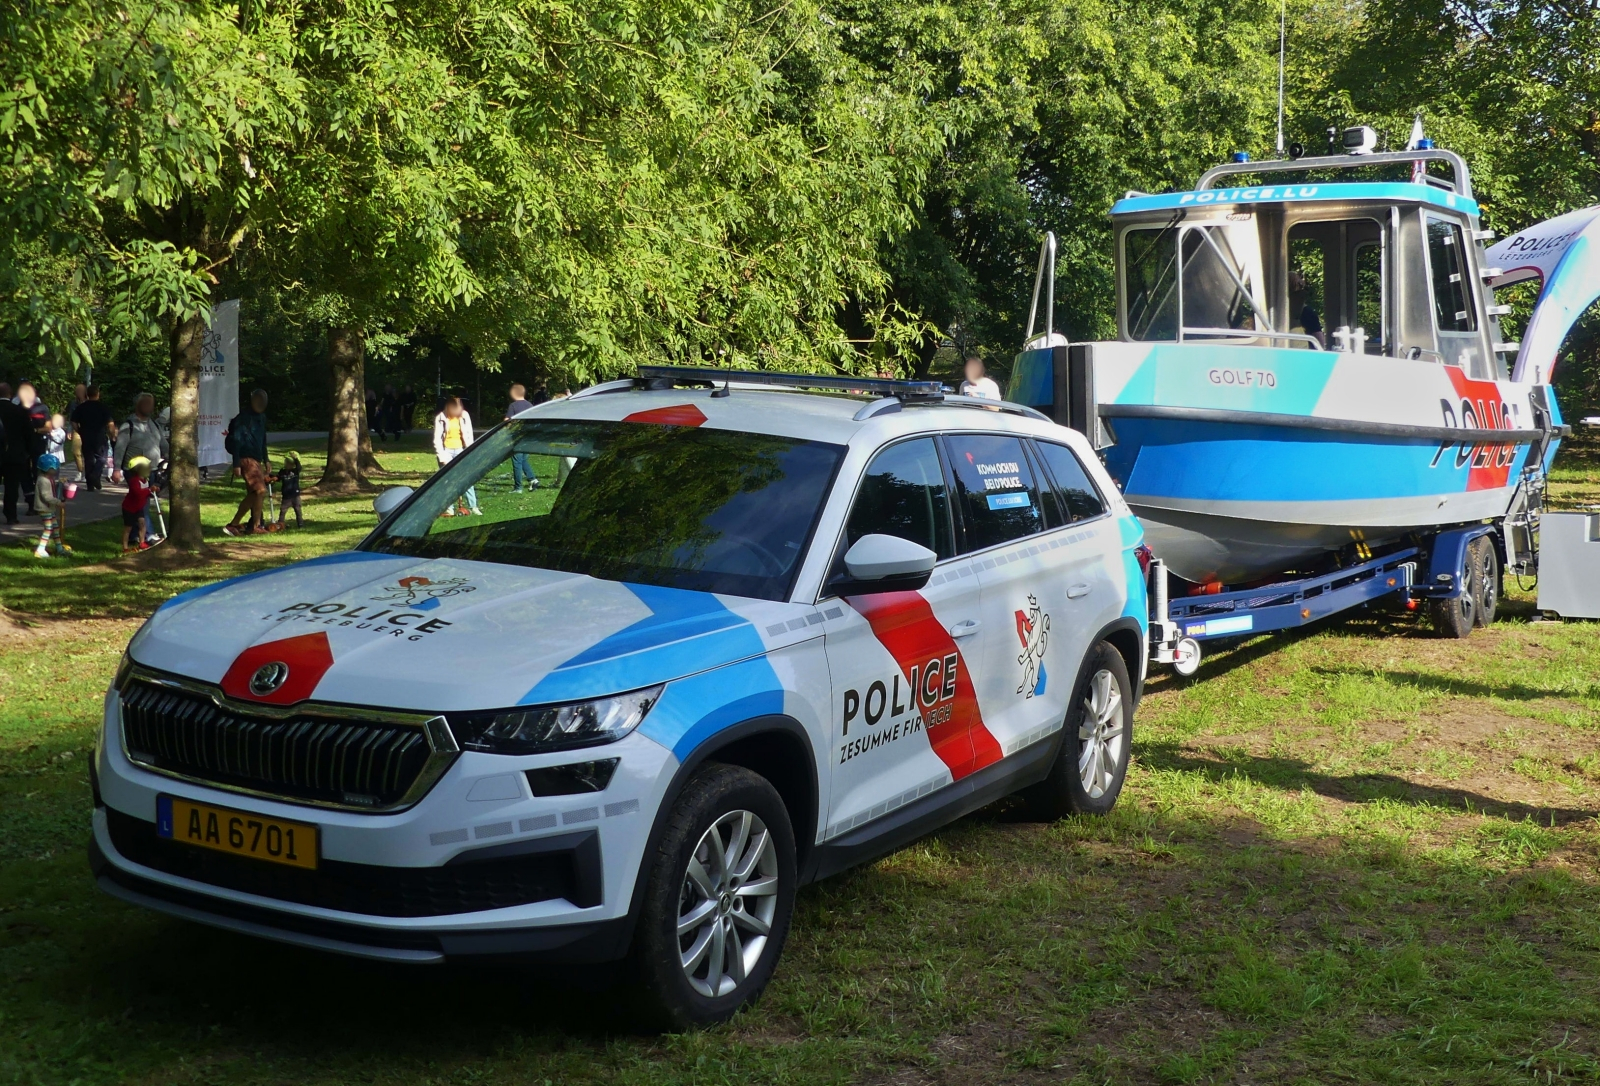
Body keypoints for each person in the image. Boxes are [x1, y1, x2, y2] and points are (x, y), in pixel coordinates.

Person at [114, 393, 168, 542]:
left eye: (151, 403)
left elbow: (163, 444)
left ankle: (134, 535)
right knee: (142, 500)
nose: (150, 407)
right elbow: (119, 448)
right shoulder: (129, 426)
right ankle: (149, 534)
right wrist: (116, 469)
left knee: (140, 501)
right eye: (147, 404)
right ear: (138, 405)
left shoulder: (154, 425)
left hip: (154, 469)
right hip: (135, 471)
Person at [223, 389, 270, 536]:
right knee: (260, 490)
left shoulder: (261, 418)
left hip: (256, 459)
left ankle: (255, 526)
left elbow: (263, 440)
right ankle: (235, 523)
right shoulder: (242, 418)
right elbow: (236, 440)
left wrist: (266, 459)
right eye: (257, 399)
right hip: (245, 458)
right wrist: (236, 463)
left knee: (256, 493)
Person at [432, 396, 479, 515]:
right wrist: (442, 456)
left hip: (461, 449)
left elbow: (469, 434)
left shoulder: (464, 416)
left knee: (466, 478)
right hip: (446, 451)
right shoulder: (441, 418)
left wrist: (470, 450)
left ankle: (473, 506)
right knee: (448, 480)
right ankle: (450, 508)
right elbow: (437, 439)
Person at [71, 385, 114, 491]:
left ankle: (90, 484)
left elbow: (73, 422)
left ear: (87, 394)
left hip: (86, 436)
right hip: (100, 437)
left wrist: (79, 431)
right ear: (98, 394)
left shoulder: (81, 407)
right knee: (102, 458)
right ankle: (95, 476)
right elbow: (110, 423)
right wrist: (112, 434)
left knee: (89, 460)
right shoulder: (103, 407)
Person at [16, 382, 50, 513]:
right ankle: (31, 503)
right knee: (24, 474)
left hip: (38, 444)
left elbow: (48, 427)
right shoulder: (18, 408)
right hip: (23, 445)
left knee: (39, 473)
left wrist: (35, 430)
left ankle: (40, 502)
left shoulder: (42, 408)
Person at [0, 383, 31, 523]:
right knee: (12, 487)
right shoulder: (20, 411)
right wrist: (28, 452)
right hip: (14, 454)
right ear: (10, 394)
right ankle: (11, 515)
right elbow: (28, 434)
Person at [33, 453, 69, 558]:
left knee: (55, 528)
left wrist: (60, 484)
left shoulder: (48, 479)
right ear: (48, 468)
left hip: (50, 508)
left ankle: (59, 548)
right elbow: (46, 497)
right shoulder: (43, 481)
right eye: (55, 468)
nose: (57, 470)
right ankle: (40, 549)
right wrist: (58, 502)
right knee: (48, 529)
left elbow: (52, 490)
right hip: (45, 508)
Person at [505, 383, 538, 492]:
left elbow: (507, 421)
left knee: (516, 462)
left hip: (517, 436)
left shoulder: (513, 406)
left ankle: (518, 487)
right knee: (523, 460)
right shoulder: (530, 405)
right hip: (527, 436)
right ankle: (533, 479)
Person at [121, 456, 155, 553]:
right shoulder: (134, 481)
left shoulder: (145, 480)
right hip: (129, 508)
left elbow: (145, 493)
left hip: (139, 507)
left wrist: (152, 491)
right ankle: (125, 547)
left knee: (142, 524)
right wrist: (148, 490)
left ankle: (142, 542)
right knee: (128, 527)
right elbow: (138, 493)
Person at [274, 450, 304, 529]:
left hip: (295, 495)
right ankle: (280, 524)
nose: (286, 464)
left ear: (293, 464)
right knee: (283, 510)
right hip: (286, 496)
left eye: (289, 463)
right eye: (286, 462)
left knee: (298, 510)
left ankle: (300, 524)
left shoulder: (295, 471)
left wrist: (296, 459)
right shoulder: (282, 471)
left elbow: (299, 467)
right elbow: (278, 478)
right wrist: (273, 479)